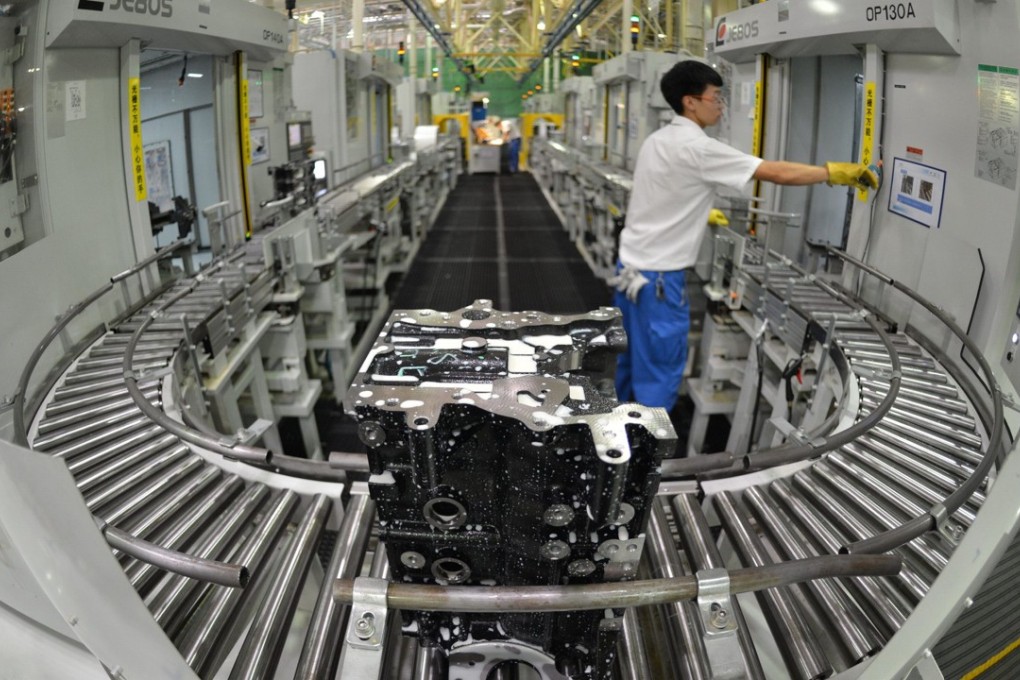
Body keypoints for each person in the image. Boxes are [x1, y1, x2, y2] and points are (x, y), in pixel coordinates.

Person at [611, 60, 879, 416]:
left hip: (629, 273)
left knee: (629, 367)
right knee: (657, 377)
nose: (720, 105)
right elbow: (774, 171)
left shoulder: (657, 140)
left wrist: (698, 212)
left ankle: (616, 447)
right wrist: (833, 172)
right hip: (659, 284)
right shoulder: (700, 147)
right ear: (690, 102)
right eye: (715, 97)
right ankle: (645, 460)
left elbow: (658, 193)